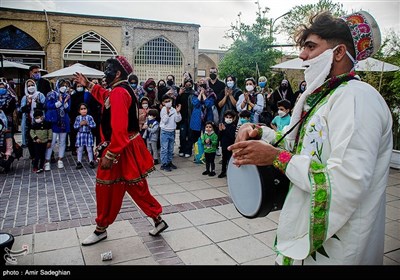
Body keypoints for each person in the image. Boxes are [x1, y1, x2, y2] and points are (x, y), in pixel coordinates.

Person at [228, 11, 392, 265]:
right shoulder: (326, 96)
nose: (303, 56)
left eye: (310, 47)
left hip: (341, 245)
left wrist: (276, 158)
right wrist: (257, 131)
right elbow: (301, 144)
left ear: (338, 52)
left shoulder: (358, 99)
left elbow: (346, 182)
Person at [74, 55, 168, 246]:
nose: (104, 73)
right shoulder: (121, 90)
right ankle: (158, 219)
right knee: (136, 187)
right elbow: (104, 97)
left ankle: (100, 229)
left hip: (119, 149)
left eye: (108, 69)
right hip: (127, 147)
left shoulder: (119, 93)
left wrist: (110, 154)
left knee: (105, 188)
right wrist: (88, 85)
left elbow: (119, 129)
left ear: (117, 73)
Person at [159, 94, 182, 172]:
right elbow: (164, 121)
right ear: (163, 103)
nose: (168, 103)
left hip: (172, 131)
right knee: (164, 149)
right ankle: (164, 164)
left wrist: (178, 112)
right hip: (165, 132)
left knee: (170, 149)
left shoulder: (173, 109)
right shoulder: (163, 110)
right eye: (166, 101)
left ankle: (169, 162)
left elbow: (178, 120)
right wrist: (167, 113)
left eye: (169, 101)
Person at [73, 103, 96, 169]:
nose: (83, 110)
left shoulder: (90, 117)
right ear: (79, 111)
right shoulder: (78, 118)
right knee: (80, 149)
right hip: (80, 134)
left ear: (87, 109)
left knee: (89, 149)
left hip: (88, 134)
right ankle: (79, 162)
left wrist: (88, 123)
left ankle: (91, 161)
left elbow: (94, 125)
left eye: (84, 109)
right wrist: (80, 124)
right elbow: (75, 126)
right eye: (81, 109)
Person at [218, 110, 237, 178]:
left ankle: (231, 172)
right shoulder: (224, 125)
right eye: (227, 117)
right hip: (224, 145)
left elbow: (232, 137)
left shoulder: (233, 126)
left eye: (230, 117)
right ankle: (223, 172)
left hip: (230, 145)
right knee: (224, 159)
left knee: (230, 159)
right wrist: (220, 131)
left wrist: (225, 130)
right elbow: (219, 137)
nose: (228, 119)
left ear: (233, 118)